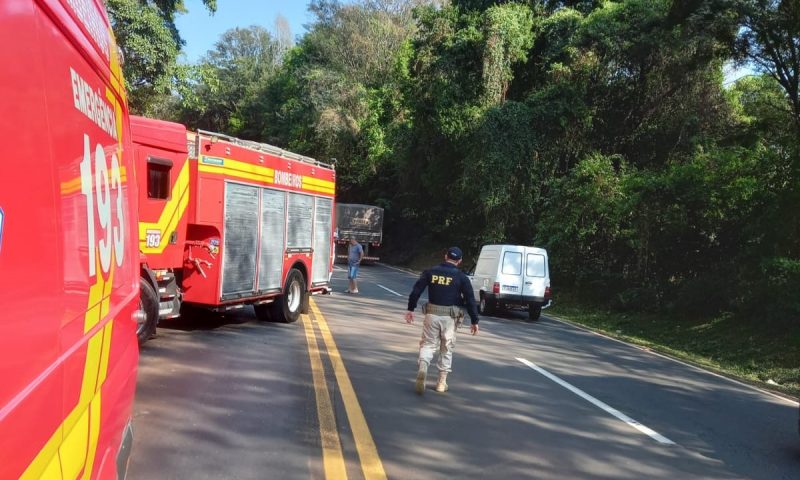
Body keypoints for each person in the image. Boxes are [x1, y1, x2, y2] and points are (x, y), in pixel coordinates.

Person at [405, 247, 479, 395]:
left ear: (445, 256)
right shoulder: (461, 277)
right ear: (459, 261)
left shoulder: (431, 272)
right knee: (446, 348)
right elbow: (470, 299)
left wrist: (410, 309)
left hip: (431, 314)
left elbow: (416, 291)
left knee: (428, 344)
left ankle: (423, 366)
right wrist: (474, 320)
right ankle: (441, 382)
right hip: (450, 318)